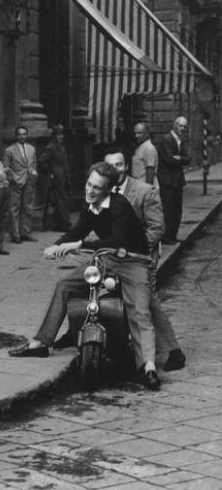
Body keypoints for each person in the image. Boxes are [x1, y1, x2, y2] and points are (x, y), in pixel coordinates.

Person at [8, 161, 161, 390]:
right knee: (65, 285)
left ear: (109, 189)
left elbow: (116, 240)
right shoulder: (90, 206)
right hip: (106, 259)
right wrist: (57, 245)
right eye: (89, 184)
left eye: (97, 187)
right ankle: (40, 342)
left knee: (139, 310)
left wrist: (77, 245)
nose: (90, 190)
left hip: (133, 261)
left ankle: (148, 367)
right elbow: (78, 230)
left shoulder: (119, 205)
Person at [54, 149, 186, 371]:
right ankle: (77, 331)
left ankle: (173, 351)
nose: (115, 169)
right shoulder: (99, 194)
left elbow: (156, 228)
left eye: (118, 165)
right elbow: (94, 226)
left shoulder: (144, 190)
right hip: (110, 254)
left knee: (146, 304)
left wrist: (130, 250)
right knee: (84, 284)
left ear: (125, 166)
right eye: (109, 165)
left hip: (138, 255)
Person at [158, 116, 190, 244]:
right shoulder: (167, 139)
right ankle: (167, 236)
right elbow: (169, 159)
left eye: (185, 126)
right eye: (180, 125)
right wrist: (181, 159)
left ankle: (173, 235)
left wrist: (179, 158)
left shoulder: (182, 140)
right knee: (168, 209)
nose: (183, 128)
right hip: (167, 180)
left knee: (177, 209)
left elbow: (188, 159)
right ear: (175, 125)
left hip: (177, 180)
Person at [4, 126, 38, 244]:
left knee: (28, 208)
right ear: (16, 135)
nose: (22, 136)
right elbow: (6, 167)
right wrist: (12, 178)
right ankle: (15, 235)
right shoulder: (9, 150)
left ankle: (25, 232)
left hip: (29, 181)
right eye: (19, 134)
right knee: (14, 209)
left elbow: (34, 162)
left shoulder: (32, 149)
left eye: (24, 134)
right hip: (16, 182)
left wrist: (34, 174)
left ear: (26, 135)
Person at [38, 123, 72, 231]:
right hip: (57, 178)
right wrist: (50, 171)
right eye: (58, 134)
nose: (61, 136)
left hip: (63, 177)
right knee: (62, 201)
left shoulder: (61, 147)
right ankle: (66, 224)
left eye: (62, 134)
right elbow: (41, 160)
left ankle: (56, 225)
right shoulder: (51, 147)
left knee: (61, 201)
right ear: (54, 135)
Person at [131, 122, 158, 187]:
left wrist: (147, 189)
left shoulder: (148, 148)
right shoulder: (140, 147)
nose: (136, 136)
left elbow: (150, 171)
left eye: (139, 133)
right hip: (138, 184)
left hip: (144, 184)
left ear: (147, 133)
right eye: (135, 133)